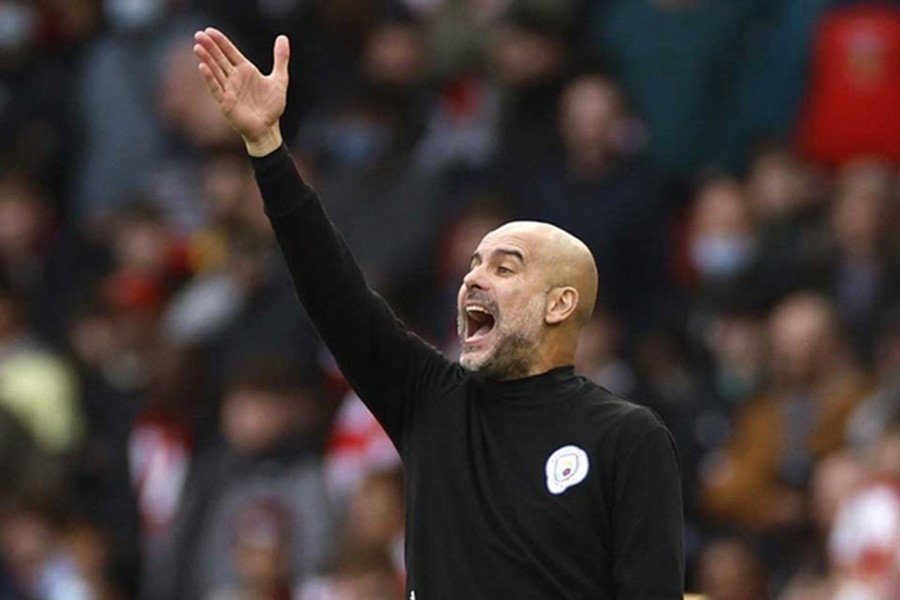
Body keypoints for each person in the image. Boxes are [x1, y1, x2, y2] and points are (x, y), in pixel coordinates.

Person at [192, 27, 684, 598]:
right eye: (473, 263)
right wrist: (268, 150)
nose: (473, 276)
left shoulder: (626, 438)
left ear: (560, 303)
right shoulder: (430, 402)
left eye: (505, 267)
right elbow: (333, 290)